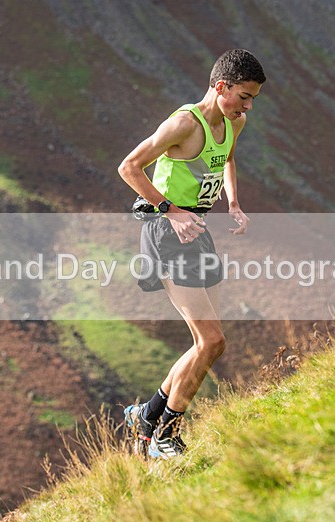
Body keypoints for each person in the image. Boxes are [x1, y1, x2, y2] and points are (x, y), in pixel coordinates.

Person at [117, 49, 266, 459]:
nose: (248, 106)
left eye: (253, 99)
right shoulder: (184, 124)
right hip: (166, 230)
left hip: (196, 230)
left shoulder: (235, 121)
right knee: (211, 339)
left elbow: (228, 157)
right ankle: (165, 435)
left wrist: (233, 203)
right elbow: (129, 167)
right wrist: (172, 211)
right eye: (244, 96)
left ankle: (146, 416)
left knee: (210, 344)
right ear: (221, 87)